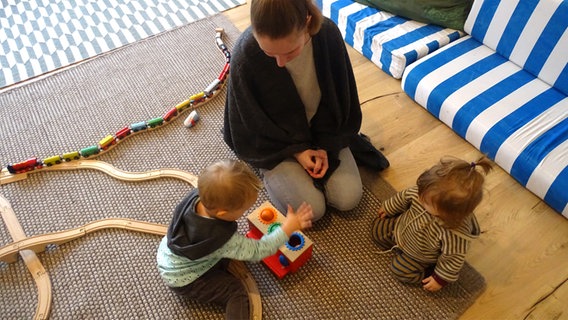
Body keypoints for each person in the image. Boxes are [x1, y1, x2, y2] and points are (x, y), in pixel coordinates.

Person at [223, 0, 388, 222]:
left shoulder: (327, 35)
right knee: (313, 210)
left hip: (325, 129)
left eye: (290, 52)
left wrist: (325, 145)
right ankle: (274, 170)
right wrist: (297, 151)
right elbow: (249, 124)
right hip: (276, 142)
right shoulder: (246, 53)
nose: (280, 63)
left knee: (348, 198)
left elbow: (341, 100)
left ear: (307, 23)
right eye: (269, 53)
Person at [156, 159, 313, 319]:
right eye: (243, 210)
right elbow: (259, 251)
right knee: (235, 292)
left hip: (168, 254)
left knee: (226, 257)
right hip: (185, 280)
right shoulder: (222, 239)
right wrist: (287, 228)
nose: (245, 212)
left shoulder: (196, 196)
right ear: (222, 213)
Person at [371, 156, 492, 292]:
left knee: (399, 270)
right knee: (377, 230)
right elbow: (404, 196)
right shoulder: (425, 194)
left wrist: (439, 278)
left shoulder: (454, 233)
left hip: (420, 255)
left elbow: (452, 259)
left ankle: (428, 272)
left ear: (447, 213)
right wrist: (389, 207)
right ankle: (397, 245)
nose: (418, 197)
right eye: (421, 191)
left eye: (426, 202)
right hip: (401, 229)